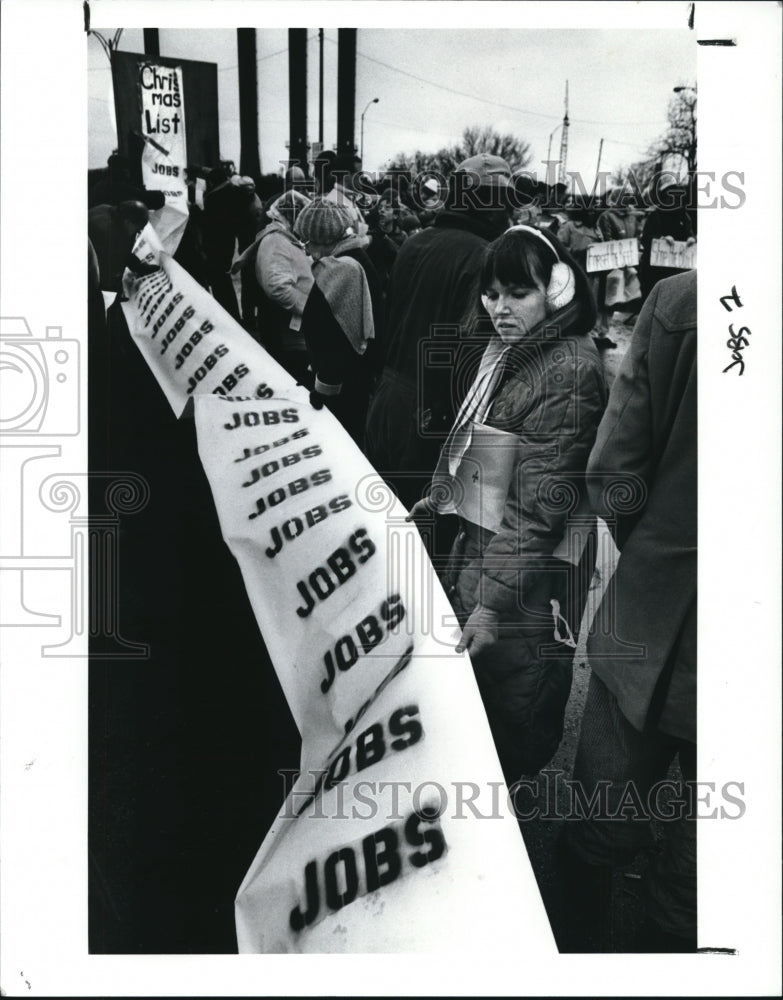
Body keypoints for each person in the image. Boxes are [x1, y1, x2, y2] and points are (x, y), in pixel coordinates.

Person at [407, 226, 607, 781]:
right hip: (491, 561)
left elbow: (537, 509)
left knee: (513, 705)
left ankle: (501, 831)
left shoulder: (565, 372)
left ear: (559, 289)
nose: (499, 307)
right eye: (491, 293)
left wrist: (491, 605)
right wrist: (446, 497)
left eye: (518, 293)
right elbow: (493, 457)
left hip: (522, 582)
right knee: (488, 701)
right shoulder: (517, 354)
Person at [559, 270, 697, 953]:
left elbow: (614, 469)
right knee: (707, 865)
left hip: (651, 609)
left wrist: (652, 548)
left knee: (599, 820)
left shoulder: (682, 300)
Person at [365, 153, 515, 511]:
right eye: (504, 203)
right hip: (434, 415)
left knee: (382, 521)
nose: (509, 214)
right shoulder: (485, 255)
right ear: (486, 204)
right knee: (423, 539)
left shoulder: (415, 242)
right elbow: (471, 351)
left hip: (387, 401)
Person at [293, 198, 383, 445]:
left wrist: (324, 390)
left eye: (307, 240)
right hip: (355, 380)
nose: (306, 248)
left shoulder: (340, 270)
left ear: (322, 237)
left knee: (341, 446)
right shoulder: (355, 259)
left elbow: (334, 337)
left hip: (343, 388)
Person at [232, 190, 313, 383]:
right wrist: (308, 307)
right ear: (293, 217)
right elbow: (278, 287)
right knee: (295, 377)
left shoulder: (283, 238)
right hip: (286, 330)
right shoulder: (276, 241)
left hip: (290, 328)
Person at [638, 177, 695, 302]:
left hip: (677, 269)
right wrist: (661, 239)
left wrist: (691, 238)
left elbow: (689, 232)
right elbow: (646, 238)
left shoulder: (684, 216)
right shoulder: (655, 215)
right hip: (656, 271)